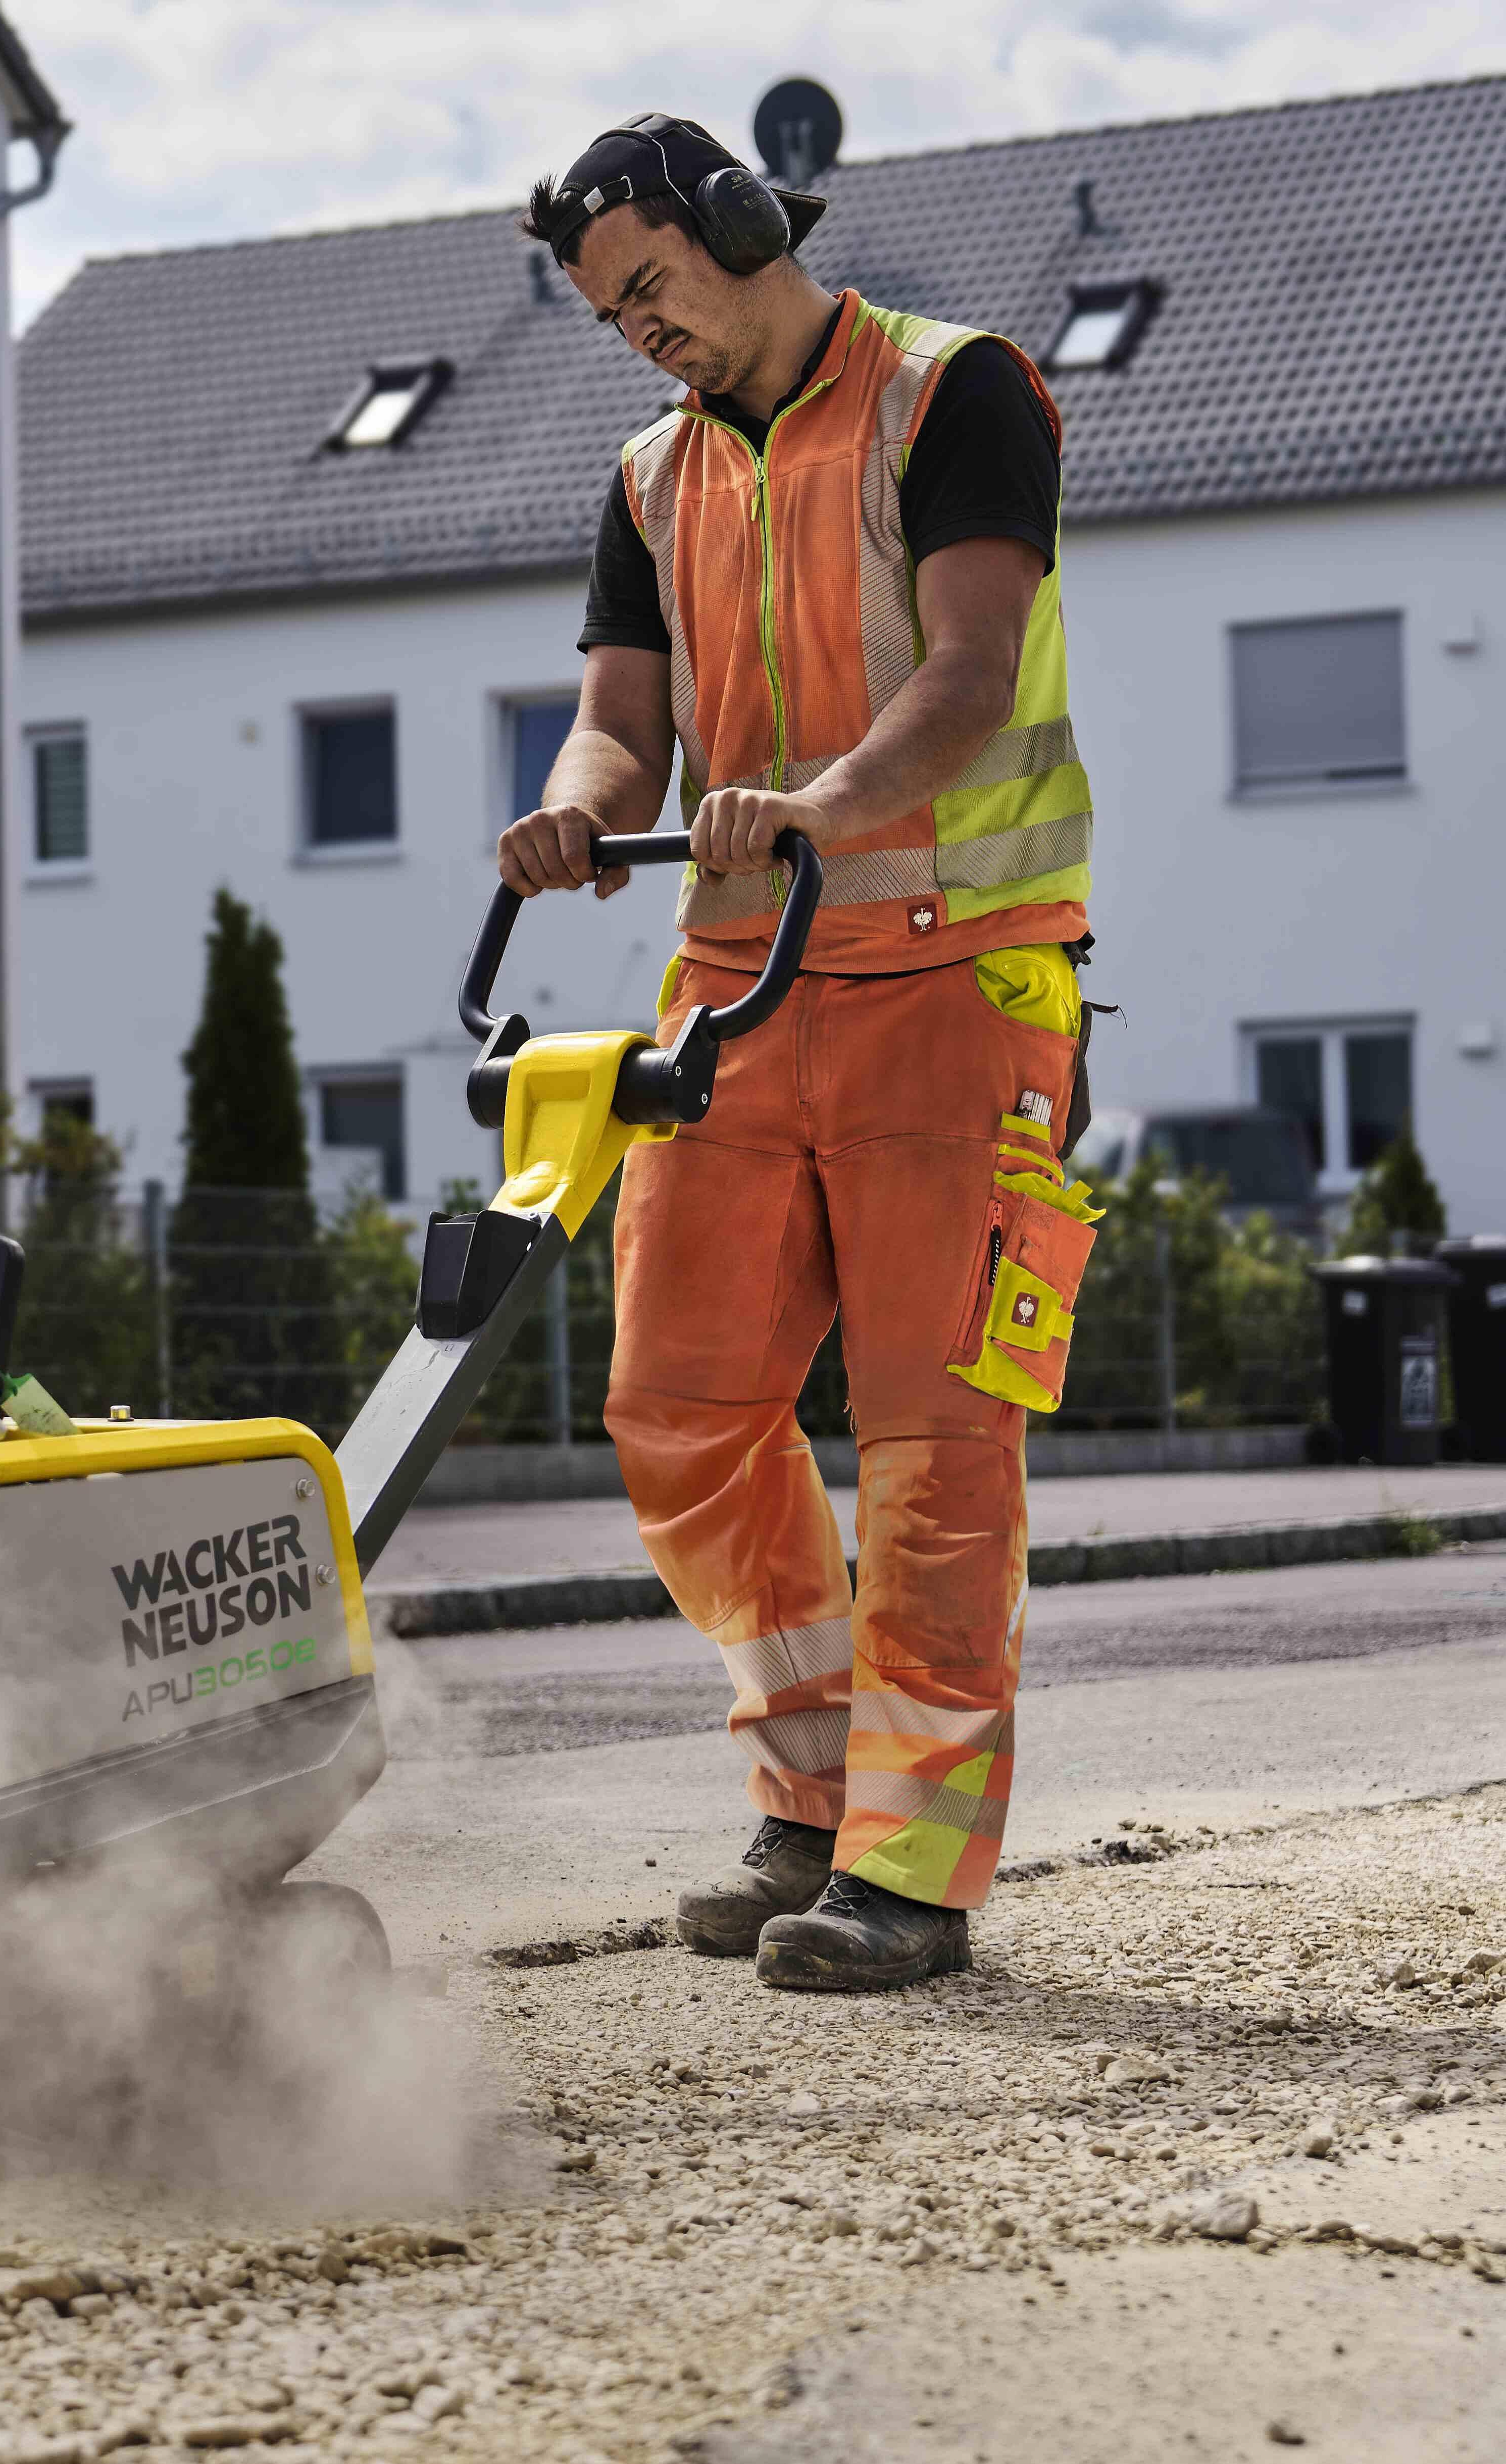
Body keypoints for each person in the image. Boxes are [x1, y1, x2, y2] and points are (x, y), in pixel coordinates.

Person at [499, 113, 1095, 1994]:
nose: (639, 333)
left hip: (959, 979)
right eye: (611, 317)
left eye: (651, 289)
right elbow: (620, 721)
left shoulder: (956, 395)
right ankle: (812, 1793)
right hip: (736, 990)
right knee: (679, 1405)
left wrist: (818, 803)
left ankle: (912, 1871)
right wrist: (572, 811)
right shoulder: (649, 475)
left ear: (744, 227)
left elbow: (968, 671)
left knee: (934, 1437)